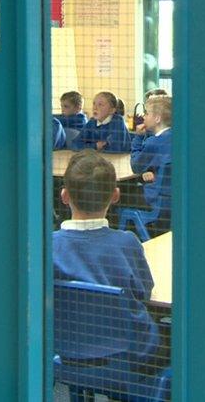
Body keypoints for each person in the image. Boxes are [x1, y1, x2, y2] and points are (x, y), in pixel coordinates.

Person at [53, 150, 165, 369]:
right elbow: (144, 290)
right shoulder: (127, 243)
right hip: (130, 351)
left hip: (66, 349)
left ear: (64, 196)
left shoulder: (47, 247)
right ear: (115, 195)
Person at [127, 95, 173, 235]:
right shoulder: (177, 137)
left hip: (157, 200)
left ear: (157, 118)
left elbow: (136, 166)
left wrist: (138, 137)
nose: (143, 117)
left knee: (122, 191)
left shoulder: (154, 142)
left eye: (147, 113)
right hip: (173, 199)